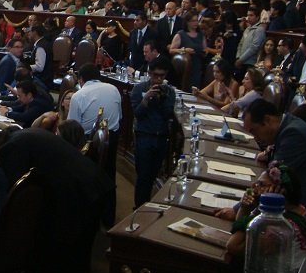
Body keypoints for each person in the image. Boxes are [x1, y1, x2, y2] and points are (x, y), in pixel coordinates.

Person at [0, 127, 113, 273]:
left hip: (80, 192)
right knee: (77, 253)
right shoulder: (29, 134)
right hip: (91, 184)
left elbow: (18, 193)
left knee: (68, 252)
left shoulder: (11, 146)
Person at [232, 99, 306, 239]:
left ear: (267, 120)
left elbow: (271, 178)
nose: (255, 138)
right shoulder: (288, 126)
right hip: (294, 209)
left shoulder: (294, 134)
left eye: (254, 131)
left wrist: (238, 209)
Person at [225, 163, 306, 267]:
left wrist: (266, 206)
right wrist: (245, 207)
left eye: (261, 185)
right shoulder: (298, 209)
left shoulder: (277, 229)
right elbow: (240, 227)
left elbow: (234, 246)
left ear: (280, 191)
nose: (254, 188)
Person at [130, 59, 175, 207]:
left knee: (153, 175)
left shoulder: (169, 91)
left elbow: (168, 115)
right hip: (144, 136)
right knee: (143, 176)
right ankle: (138, 208)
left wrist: (162, 99)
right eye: (156, 75)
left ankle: (146, 205)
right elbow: (138, 114)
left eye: (162, 76)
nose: (159, 79)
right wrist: (146, 99)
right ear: (149, 73)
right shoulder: (138, 89)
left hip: (161, 137)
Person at [68, 64, 122, 177]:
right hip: (112, 138)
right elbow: (119, 117)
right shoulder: (114, 89)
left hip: (88, 143)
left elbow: (72, 127)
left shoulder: (78, 96)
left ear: (81, 79)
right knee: (109, 172)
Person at [170, 11, 206, 88]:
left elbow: (204, 49)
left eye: (197, 20)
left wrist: (205, 52)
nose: (196, 23)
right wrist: (184, 50)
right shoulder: (181, 34)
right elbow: (171, 50)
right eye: (193, 21)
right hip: (185, 67)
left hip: (198, 66)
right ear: (187, 22)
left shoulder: (201, 34)